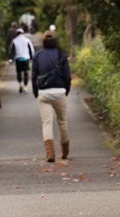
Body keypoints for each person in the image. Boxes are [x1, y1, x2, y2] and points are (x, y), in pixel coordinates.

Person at [31, 29, 71, 163]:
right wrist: (66, 90)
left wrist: (36, 92)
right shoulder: (61, 55)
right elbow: (67, 76)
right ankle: (65, 152)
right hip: (60, 92)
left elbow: (33, 76)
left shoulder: (37, 56)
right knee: (62, 122)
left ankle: (50, 154)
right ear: (56, 41)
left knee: (47, 123)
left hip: (43, 93)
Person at [8, 28, 35, 93]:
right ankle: (25, 86)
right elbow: (31, 49)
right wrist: (32, 58)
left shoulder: (14, 40)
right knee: (26, 73)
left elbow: (11, 50)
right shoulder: (27, 40)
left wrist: (10, 59)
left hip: (18, 59)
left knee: (19, 73)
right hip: (26, 58)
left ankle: (20, 84)